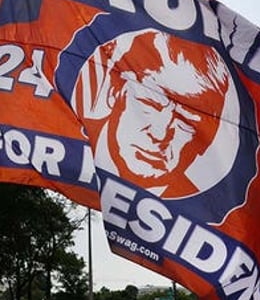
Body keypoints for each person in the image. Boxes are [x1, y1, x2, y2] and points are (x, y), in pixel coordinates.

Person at [80, 28, 231, 198]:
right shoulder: (72, 150)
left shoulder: (203, 213)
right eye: (151, 104)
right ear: (114, 92)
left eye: (185, 123)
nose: (160, 134)